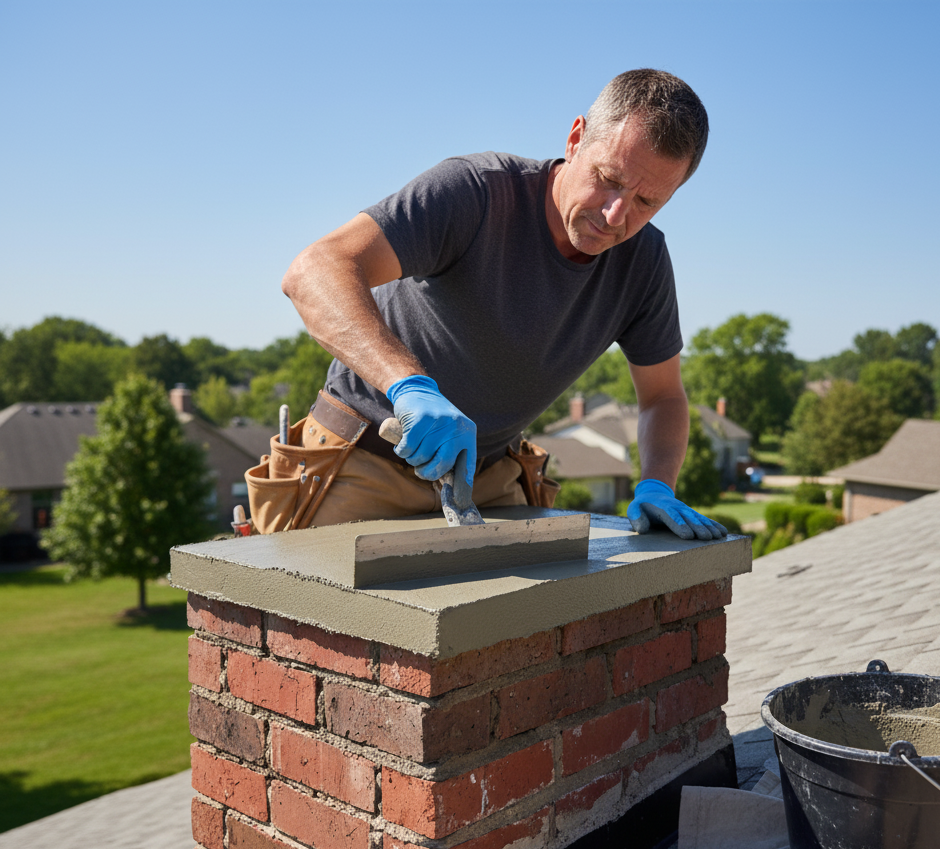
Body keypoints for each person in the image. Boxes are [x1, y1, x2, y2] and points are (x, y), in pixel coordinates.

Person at [279, 68, 725, 541]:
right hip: (363, 459)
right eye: (608, 178)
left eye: (646, 202)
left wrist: (657, 483)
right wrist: (408, 385)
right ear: (576, 139)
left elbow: (663, 397)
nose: (616, 215)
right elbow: (314, 270)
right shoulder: (477, 193)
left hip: (489, 478)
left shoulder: (644, 262)